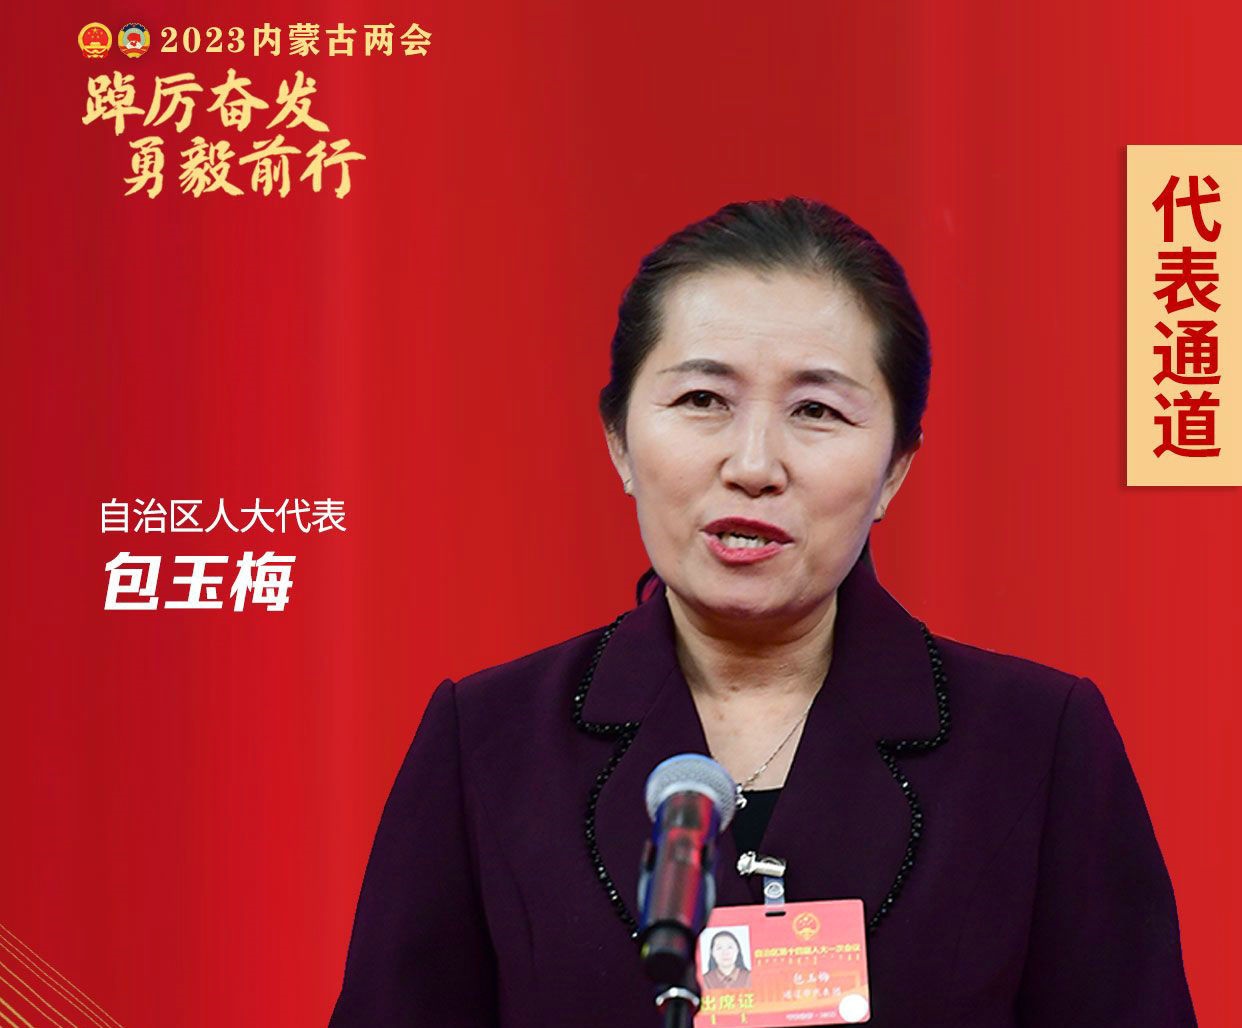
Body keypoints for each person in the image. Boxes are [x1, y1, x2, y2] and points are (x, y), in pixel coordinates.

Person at [329, 197, 1196, 1026]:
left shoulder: (1036, 744)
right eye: (702, 400)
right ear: (619, 440)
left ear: (894, 468)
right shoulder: (487, 742)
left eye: (816, 410)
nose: (753, 465)